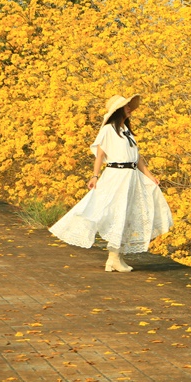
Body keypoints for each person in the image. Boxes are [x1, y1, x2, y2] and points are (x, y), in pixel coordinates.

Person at [49, 94, 173, 272]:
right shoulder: (108, 130)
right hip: (116, 175)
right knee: (115, 212)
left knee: (127, 214)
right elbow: (100, 155)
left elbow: (137, 158)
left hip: (131, 176)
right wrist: (94, 176)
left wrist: (150, 176)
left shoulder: (127, 131)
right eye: (126, 106)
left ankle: (114, 258)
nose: (130, 108)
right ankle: (114, 257)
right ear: (117, 111)